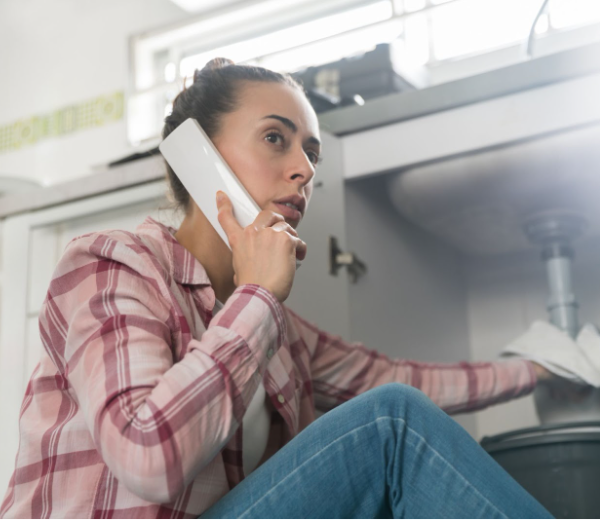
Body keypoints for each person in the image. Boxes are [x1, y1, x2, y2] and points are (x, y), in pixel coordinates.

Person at [1, 58, 559, 519]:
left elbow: (402, 379)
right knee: (391, 421)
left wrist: (544, 370)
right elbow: (147, 453)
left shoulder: (283, 336)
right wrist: (259, 299)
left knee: (395, 415)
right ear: (198, 156)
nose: (304, 170)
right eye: (276, 139)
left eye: (311, 153)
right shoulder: (111, 263)